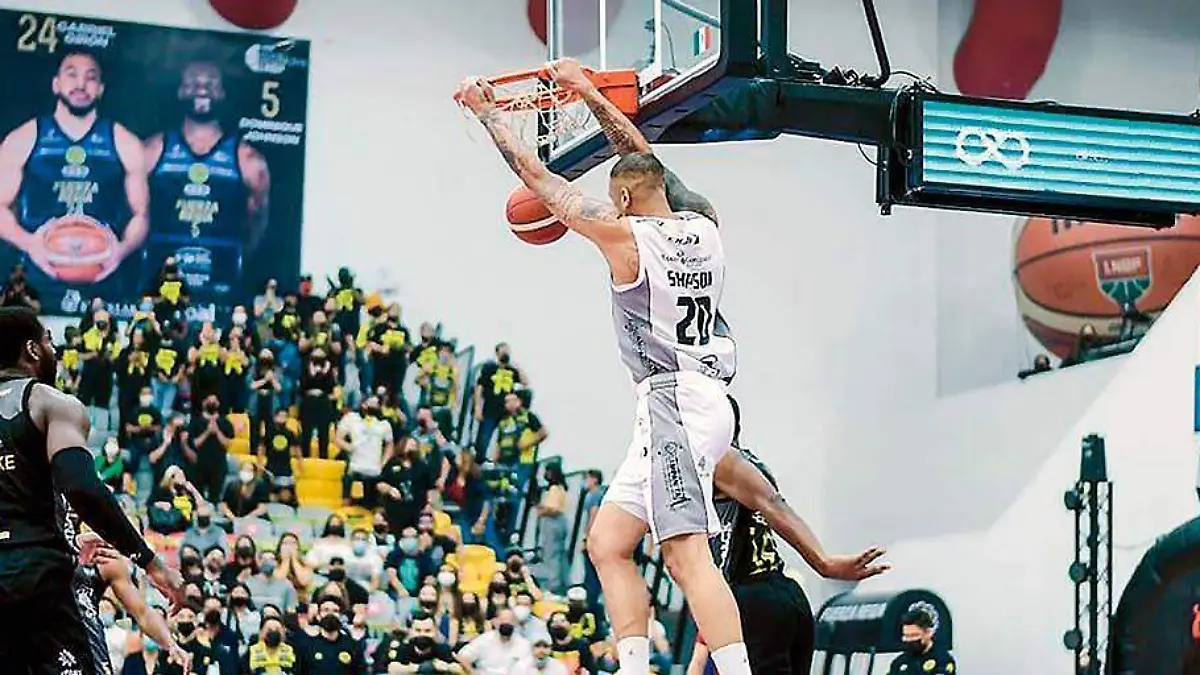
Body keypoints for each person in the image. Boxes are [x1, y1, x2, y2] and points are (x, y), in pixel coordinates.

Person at [458, 58, 892, 675]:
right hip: (696, 398)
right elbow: (646, 161)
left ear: (626, 198)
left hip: (676, 400)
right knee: (608, 544)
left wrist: (489, 114)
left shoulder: (624, 236)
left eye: (617, 199)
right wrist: (587, 93)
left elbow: (541, 183)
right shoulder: (703, 222)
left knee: (687, 554)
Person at [0, 307, 181, 674]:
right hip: (37, 573)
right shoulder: (49, 402)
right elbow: (82, 487)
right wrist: (149, 560)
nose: (56, 351)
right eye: (50, 342)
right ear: (33, 350)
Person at [0, 49, 149, 300]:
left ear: (100, 88)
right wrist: (29, 244)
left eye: (90, 77)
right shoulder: (23, 138)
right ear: (56, 84)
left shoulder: (124, 142)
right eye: (72, 75)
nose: (81, 84)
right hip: (37, 275)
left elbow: (141, 214)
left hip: (101, 273)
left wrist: (120, 251)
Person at [143, 60, 271, 312]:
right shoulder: (153, 149)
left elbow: (257, 224)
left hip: (222, 283)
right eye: (193, 83)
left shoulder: (248, 159)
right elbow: (134, 213)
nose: (202, 89)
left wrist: (231, 255)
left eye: (210, 84)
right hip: (160, 278)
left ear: (222, 93)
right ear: (180, 91)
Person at [70, 528, 191, 675]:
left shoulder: (102, 557)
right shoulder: (41, 553)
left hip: (89, 650)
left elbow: (143, 613)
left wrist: (171, 645)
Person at [301, 596, 368, 675]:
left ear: (341, 616)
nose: (330, 614)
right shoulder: (307, 646)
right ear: (318, 616)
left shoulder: (353, 646)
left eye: (335, 611)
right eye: (326, 610)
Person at [456, 607, 533, 675]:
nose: (506, 623)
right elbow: (463, 657)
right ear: (495, 622)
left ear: (515, 623)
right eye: (503, 619)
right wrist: (472, 672)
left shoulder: (524, 644)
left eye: (510, 620)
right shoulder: (484, 639)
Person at [885, 605, 956, 675]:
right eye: (906, 636)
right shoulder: (900, 661)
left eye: (914, 635)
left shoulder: (942, 660)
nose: (910, 640)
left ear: (928, 633)